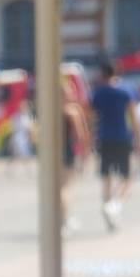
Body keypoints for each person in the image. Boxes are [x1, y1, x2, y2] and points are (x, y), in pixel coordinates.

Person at [90, 61, 140, 231]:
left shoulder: (98, 93)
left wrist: (91, 139)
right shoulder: (126, 90)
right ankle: (116, 203)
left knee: (106, 176)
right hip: (122, 136)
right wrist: (139, 139)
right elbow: (133, 116)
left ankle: (107, 205)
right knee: (127, 177)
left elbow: (92, 117)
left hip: (104, 137)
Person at [62, 83, 90, 235]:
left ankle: (62, 218)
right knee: (65, 187)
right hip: (67, 151)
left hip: (53, 152)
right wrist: (85, 155)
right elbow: (80, 135)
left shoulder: (51, 111)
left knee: (59, 187)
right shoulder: (72, 111)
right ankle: (66, 219)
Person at [8, 101, 35, 175]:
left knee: (25, 155)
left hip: (24, 138)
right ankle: (11, 170)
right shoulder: (16, 117)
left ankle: (28, 170)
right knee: (17, 156)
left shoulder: (27, 116)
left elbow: (29, 129)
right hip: (18, 138)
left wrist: (30, 137)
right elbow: (13, 129)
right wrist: (12, 140)